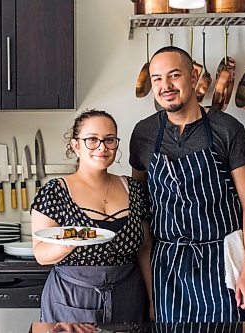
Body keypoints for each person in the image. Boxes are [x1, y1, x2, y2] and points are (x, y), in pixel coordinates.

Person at [129, 46, 245, 323]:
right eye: (156, 78)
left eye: (174, 75)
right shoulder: (144, 133)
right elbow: (139, 202)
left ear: (193, 78)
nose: (165, 86)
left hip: (222, 265)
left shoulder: (227, 129)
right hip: (167, 267)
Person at [31, 109, 153, 324]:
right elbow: (41, 254)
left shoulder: (132, 188)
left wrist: (153, 299)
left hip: (129, 295)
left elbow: (145, 248)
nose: (102, 147)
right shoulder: (55, 191)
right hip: (72, 296)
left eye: (109, 140)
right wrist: (70, 242)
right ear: (76, 145)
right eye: (92, 140)